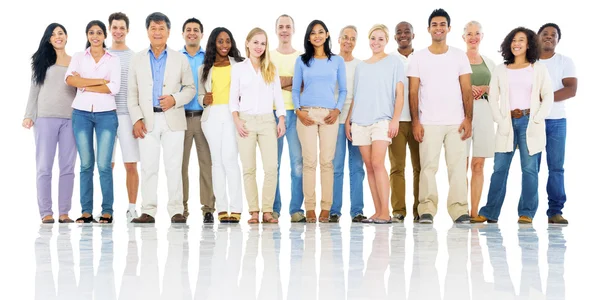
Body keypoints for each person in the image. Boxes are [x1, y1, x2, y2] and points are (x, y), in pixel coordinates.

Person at [472, 27, 554, 224]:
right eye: (513, 40)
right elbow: (493, 97)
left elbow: (548, 95)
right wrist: (500, 119)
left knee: (529, 170)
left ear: (529, 45)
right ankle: (490, 212)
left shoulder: (538, 68)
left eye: (521, 40)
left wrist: (537, 118)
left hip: (529, 122)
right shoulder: (501, 69)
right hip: (507, 122)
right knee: (500, 168)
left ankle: (526, 212)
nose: (516, 44)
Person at [128, 12, 195, 224]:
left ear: (168, 32)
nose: (157, 32)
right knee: (148, 166)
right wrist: (136, 119)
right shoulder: (137, 58)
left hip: (172, 119)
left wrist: (174, 99)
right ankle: (148, 210)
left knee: (174, 165)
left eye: (161, 29)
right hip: (147, 121)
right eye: (153, 29)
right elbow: (131, 92)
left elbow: (191, 89)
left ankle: (176, 210)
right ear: (147, 31)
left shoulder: (179, 58)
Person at [407, 8, 472, 224]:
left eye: (442, 24)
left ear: (449, 28)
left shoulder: (459, 55)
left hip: (456, 122)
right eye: (434, 24)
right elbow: (413, 91)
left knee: (457, 167)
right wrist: (416, 121)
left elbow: (466, 88)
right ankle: (426, 209)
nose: (438, 28)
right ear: (428, 29)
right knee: (428, 168)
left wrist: (468, 119)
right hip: (429, 122)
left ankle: (459, 209)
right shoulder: (418, 57)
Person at [346, 24, 405, 224]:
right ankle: (378, 211)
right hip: (360, 121)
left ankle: (385, 212)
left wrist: (395, 119)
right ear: (369, 40)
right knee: (369, 166)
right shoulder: (361, 66)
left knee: (379, 163)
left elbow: (399, 94)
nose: (376, 42)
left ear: (386, 41)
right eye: (373, 38)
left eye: (380, 38)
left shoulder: (394, 62)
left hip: (381, 120)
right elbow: (356, 96)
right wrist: (348, 121)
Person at [65, 20, 121, 224]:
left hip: (107, 114)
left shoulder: (113, 59)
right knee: (86, 164)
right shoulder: (79, 57)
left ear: (105, 35)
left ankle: (107, 210)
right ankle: (86, 211)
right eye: (91, 32)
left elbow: (114, 88)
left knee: (104, 165)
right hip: (81, 114)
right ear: (87, 35)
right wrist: (99, 82)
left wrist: (84, 84)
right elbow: (70, 80)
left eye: (99, 32)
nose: (95, 36)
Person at [230, 27, 286, 224]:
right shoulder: (238, 68)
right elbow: (233, 99)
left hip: (267, 122)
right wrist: (237, 121)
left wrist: (281, 119)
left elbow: (278, 96)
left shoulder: (271, 68)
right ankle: (253, 211)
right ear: (247, 43)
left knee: (272, 167)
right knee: (249, 168)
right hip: (245, 121)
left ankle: (268, 210)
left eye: (263, 43)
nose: (259, 47)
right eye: (255, 42)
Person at [292, 20, 347, 223]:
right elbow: (296, 89)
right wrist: (298, 112)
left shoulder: (337, 61)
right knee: (309, 162)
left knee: (327, 162)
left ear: (327, 34)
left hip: (329, 115)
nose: (317, 35)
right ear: (308, 37)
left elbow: (343, 90)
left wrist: (337, 110)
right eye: (313, 33)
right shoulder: (302, 61)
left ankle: (326, 207)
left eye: (321, 32)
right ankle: (310, 207)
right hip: (306, 114)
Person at [24, 23, 77, 224]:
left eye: (61, 33)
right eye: (53, 34)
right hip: (45, 118)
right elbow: (34, 89)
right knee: (44, 167)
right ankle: (46, 212)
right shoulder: (42, 61)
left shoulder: (75, 62)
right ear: (49, 39)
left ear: (66, 36)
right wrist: (29, 114)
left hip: (71, 119)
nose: (58, 37)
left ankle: (64, 212)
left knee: (68, 167)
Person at [198, 27, 245, 223]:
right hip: (211, 117)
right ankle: (222, 208)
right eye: (220, 41)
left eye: (227, 41)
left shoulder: (240, 65)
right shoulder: (204, 68)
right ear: (213, 44)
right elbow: (201, 94)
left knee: (230, 160)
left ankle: (236, 208)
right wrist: (204, 99)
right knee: (216, 162)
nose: (224, 45)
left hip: (232, 114)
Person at [537, 23, 577, 225]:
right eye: (545, 33)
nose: (549, 37)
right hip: (533, 121)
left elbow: (571, 90)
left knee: (556, 168)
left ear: (557, 40)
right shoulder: (530, 62)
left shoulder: (564, 61)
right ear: (538, 38)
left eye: (553, 35)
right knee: (530, 169)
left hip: (557, 122)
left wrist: (544, 98)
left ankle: (555, 211)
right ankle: (527, 213)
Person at [180, 17, 216, 223]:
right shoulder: (176, 57)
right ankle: (181, 209)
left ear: (202, 34)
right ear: (183, 33)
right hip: (181, 118)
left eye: (196, 30)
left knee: (206, 164)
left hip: (204, 118)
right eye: (188, 30)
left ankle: (208, 209)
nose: (192, 33)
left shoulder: (208, 57)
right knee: (180, 166)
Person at [329, 25, 366, 223]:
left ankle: (357, 210)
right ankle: (334, 210)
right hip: (334, 120)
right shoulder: (330, 62)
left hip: (355, 121)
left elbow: (359, 95)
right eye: (345, 37)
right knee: (335, 167)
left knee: (357, 167)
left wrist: (351, 119)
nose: (348, 41)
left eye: (352, 38)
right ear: (338, 39)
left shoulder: (360, 65)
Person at [270, 14, 304, 222]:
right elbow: (266, 85)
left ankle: (296, 209)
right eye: (281, 26)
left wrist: (278, 82)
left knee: (297, 163)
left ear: (293, 30)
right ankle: (274, 207)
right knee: (272, 164)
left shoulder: (301, 57)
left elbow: (304, 85)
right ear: (276, 30)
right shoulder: (268, 55)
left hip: (296, 114)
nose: (284, 30)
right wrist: (291, 82)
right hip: (272, 114)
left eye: (288, 26)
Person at [107, 12, 140, 222]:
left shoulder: (134, 56)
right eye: (115, 27)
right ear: (110, 29)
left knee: (130, 164)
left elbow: (138, 89)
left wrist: (139, 118)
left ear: (127, 30)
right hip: (105, 115)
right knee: (106, 165)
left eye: (122, 27)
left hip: (127, 116)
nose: (118, 31)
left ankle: (131, 208)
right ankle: (106, 209)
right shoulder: (102, 54)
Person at [462, 21, 496, 217]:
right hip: (462, 112)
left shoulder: (489, 63)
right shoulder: (457, 60)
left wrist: (484, 89)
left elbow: (499, 90)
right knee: (462, 164)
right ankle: (462, 210)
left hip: (484, 111)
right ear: (464, 37)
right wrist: (466, 90)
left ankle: (475, 212)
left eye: (477, 33)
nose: (473, 37)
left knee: (478, 165)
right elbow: (447, 86)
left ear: (482, 36)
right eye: (469, 33)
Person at [389, 21, 420, 223]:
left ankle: (420, 210)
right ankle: (399, 210)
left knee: (420, 167)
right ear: (394, 37)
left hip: (420, 121)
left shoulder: (423, 57)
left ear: (413, 35)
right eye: (399, 32)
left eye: (406, 31)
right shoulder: (390, 60)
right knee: (397, 167)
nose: (403, 35)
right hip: (397, 122)